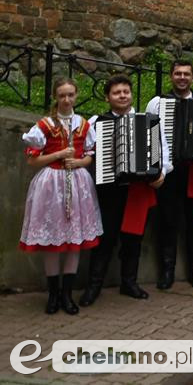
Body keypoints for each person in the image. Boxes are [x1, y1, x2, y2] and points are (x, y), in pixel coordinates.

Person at [20, 78, 102, 315]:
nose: (66, 100)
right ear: (56, 97)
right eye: (62, 95)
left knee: (73, 242)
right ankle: (53, 294)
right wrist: (58, 154)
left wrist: (77, 161)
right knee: (53, 242)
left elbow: (89, 156)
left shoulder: (84, 125)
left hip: (78, 184)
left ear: (76, 96)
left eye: (70, 95)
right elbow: (32, 160)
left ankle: (67, 294)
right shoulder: (45, 125)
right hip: (51, 186)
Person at [81, 74, 164, 306]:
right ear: (108, 97)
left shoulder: (147, 121)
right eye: (117, 92)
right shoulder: (97, 122)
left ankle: (130, 283)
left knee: (133, 240)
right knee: (104, 240)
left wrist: (160, 173)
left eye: (125, 91)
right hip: (109, 190)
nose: (122, 96)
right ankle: (93, 286)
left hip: (137, 191)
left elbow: (159, 151)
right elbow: (86, 152)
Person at [146, 60, 193, 291]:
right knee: (167, 223)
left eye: (186, 74)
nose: (182, 77)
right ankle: (167, 273)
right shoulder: (157, 103)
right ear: (171, 76)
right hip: (169, 172)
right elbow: (149, 135)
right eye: (178, 73)